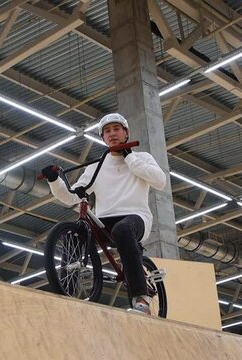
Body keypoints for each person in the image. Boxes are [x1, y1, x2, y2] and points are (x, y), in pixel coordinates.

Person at [41, 113, 166, 315]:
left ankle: (141, 299)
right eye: (107, 131)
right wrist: (54, 181)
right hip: (105, 220)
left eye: (117, 129)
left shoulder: (142, 158)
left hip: (136, 217)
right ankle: (67, 293)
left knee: (123, 230)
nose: (112, 134)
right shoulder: (96, 167)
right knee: (75, 234)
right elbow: (73, 196)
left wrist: (129, 157)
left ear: (126, 133)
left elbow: (160, 182)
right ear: (103, 138)